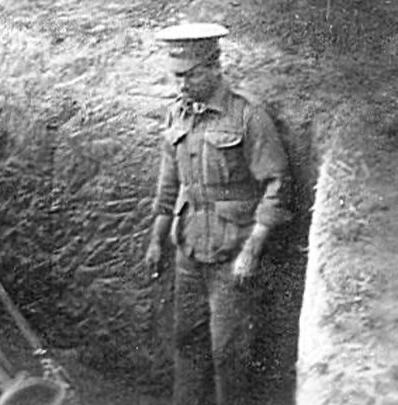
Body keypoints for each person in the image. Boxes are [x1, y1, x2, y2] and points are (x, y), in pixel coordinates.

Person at [144, 23, 293, 405]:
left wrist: (252, 251)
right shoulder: (176, 115)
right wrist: (156, 241)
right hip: (189, 250)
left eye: (189, 75)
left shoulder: (247, 117)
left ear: (214, 67)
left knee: (229, 353)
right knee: (186, 343)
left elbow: (277, 184)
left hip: (232, 253)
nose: (181, 85)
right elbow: (167, 187)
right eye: (176, 76)